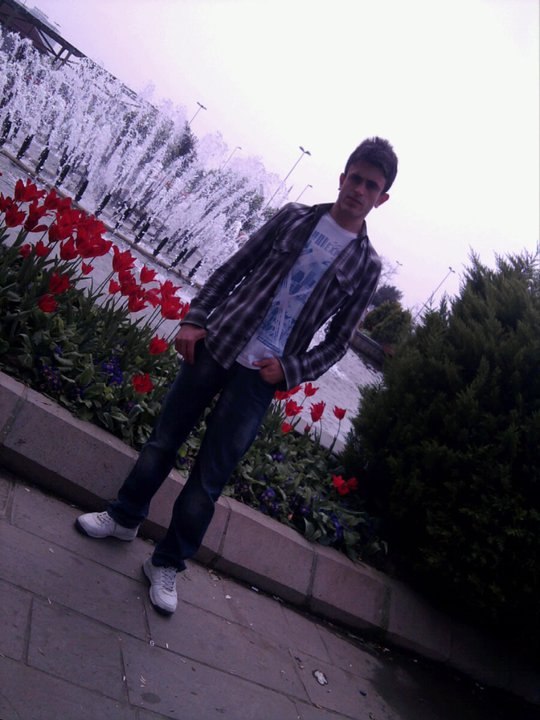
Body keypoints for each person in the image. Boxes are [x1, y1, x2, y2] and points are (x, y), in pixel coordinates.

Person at [76, 136, 398, 614]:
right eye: (355, 178)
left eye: (371, 185)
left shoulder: (366, 266)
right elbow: (233, 268)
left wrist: (290, 369)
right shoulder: (294, 217)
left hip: (260, 378)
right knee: (163, 440)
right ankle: (124, 518)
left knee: (210, 477)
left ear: (381, 198)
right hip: (219, 342)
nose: (359, 189)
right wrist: (194, 319)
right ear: (342, 177)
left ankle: (167, 563)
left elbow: (336, 342)